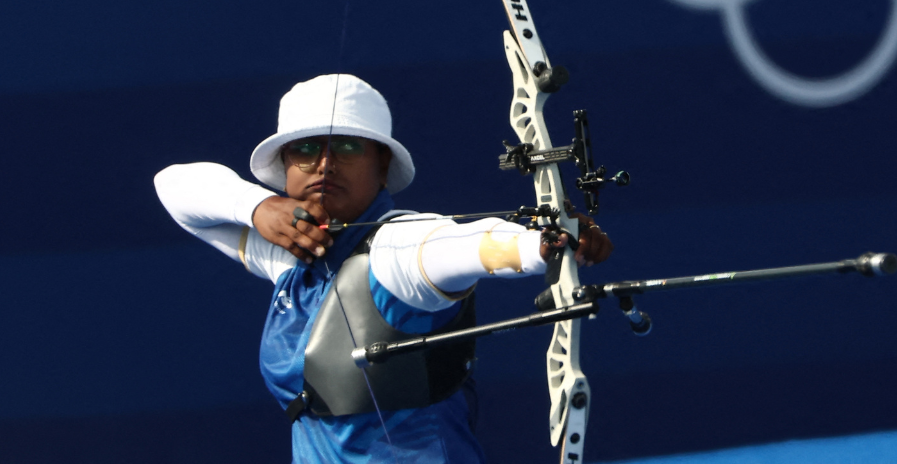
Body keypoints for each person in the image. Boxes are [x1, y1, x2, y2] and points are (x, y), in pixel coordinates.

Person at [155, 74, 612, 463]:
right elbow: (172, 187)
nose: (325, 163)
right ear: (286, 168)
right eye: (307, 148)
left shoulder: (398, 250)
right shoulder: (291, 257)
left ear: (382, 164)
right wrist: (255, 206)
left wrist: (542, 244)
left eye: (349, 147)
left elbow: (466, 244)